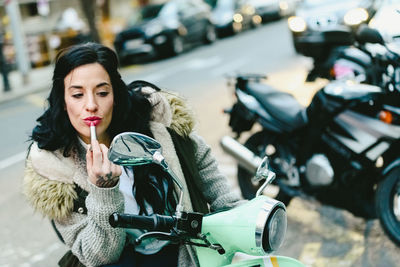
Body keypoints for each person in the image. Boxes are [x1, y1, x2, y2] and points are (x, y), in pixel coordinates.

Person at [23, 42, 242, 267]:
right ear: (63, 100)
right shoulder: (53, 167)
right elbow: (99, 256)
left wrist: (239, 217)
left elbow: (205, 169)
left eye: (102, 92)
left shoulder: (157, 122)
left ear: (115, 95)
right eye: (78, 94)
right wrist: (104, 190)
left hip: (185, 254)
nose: (91, 105)